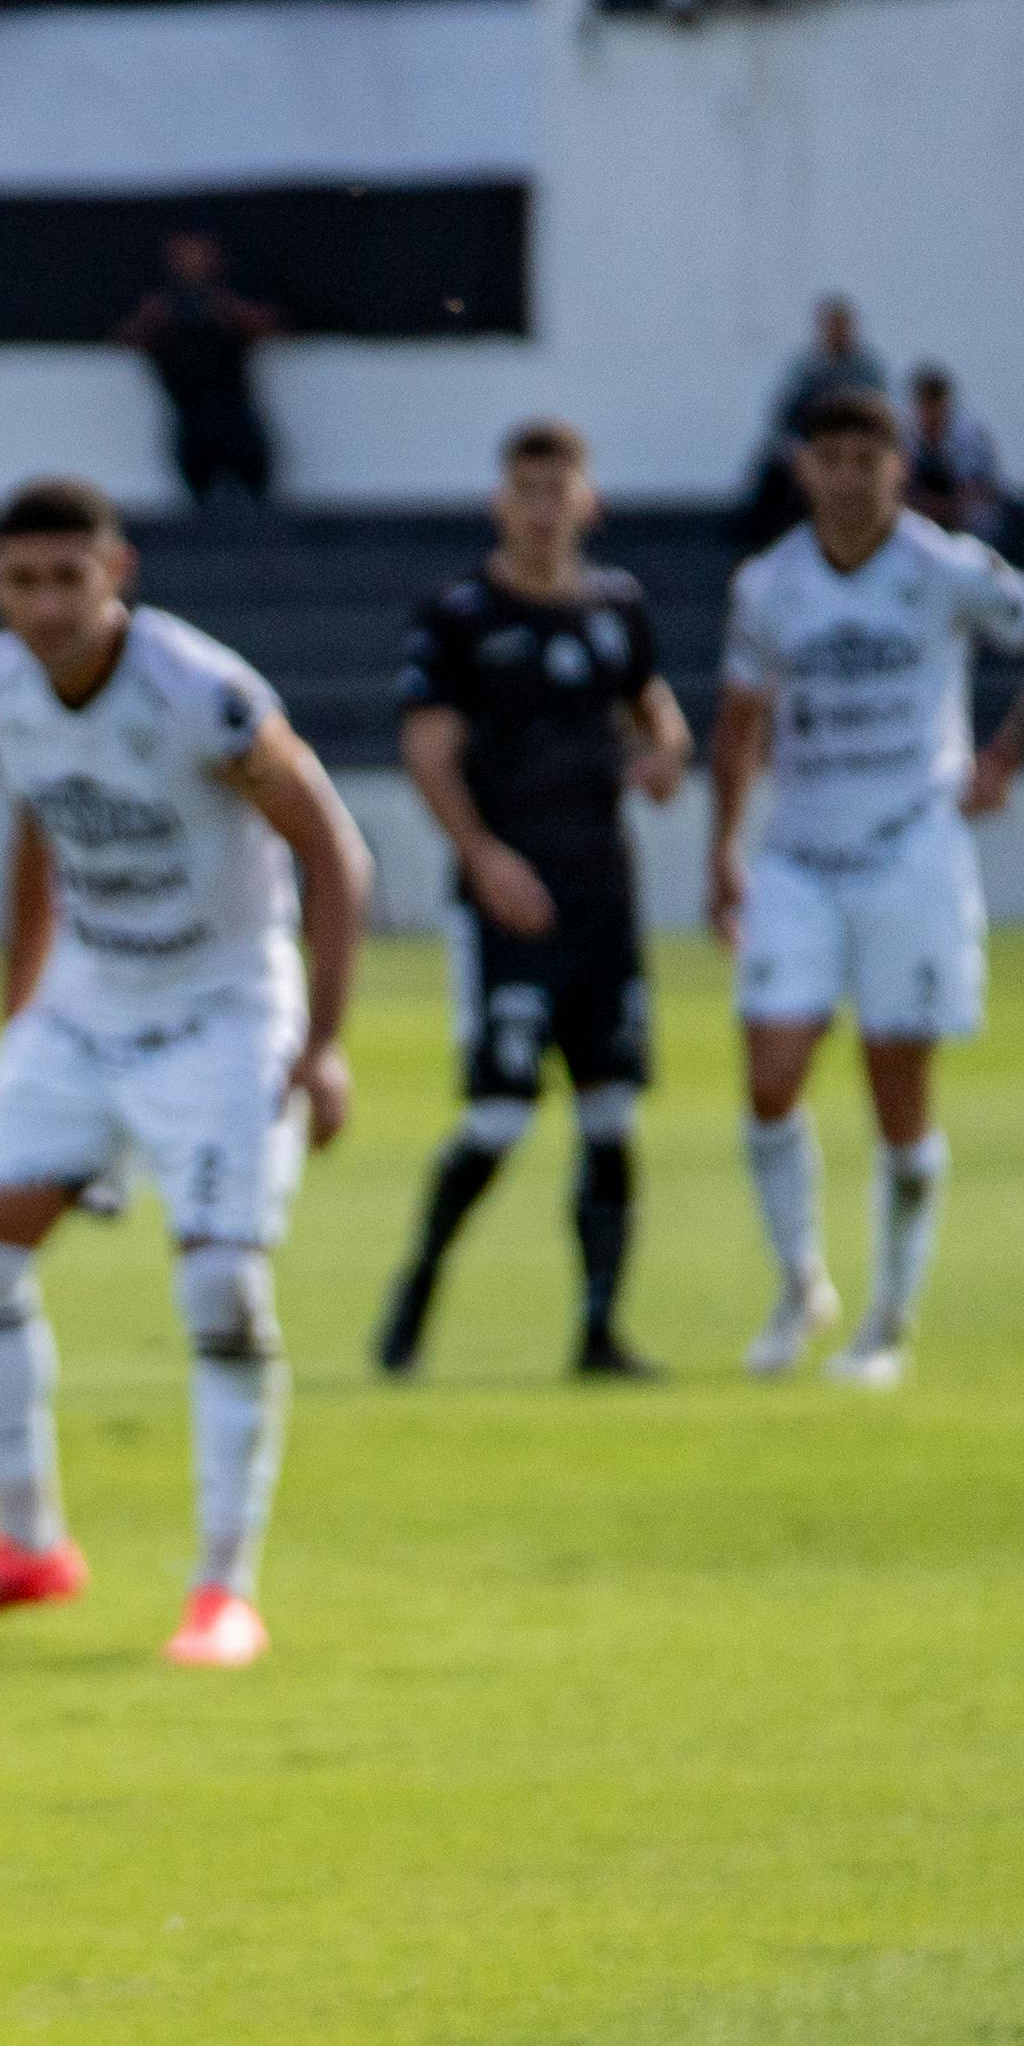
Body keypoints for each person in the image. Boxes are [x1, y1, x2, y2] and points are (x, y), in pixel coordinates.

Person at [0, 476, 373, 1673]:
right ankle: (28, 1547)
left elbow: (332, 847)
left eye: (70, 576)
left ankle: (224, 1591)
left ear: (119, 572)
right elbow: (37, 832)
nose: (48, 603)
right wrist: (19, 1012)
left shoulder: (200, 695)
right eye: (23, 580)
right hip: (86, 1006)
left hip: (222, 1012)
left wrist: (319, 1043)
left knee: (220, 1290)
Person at [710, 389, 1024, 1390]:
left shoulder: (943, 569)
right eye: (829, 457)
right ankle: (801, 1283)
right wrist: (723, 848)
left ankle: (889, 1317)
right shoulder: (769, 587)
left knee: (898, 1093)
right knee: (769, 1076)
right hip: (798, 854)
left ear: (897, 468)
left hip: (909, 852)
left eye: (864, 457)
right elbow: (741, 724)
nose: (846, 476)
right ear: (804, 469)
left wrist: (1005, 755)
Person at [377, 423, 691, 1385]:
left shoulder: (617, 607)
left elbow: (653, 706)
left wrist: (668, 753)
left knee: (611, 1111)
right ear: (499, 503)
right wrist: (481, 857)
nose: (544, 507)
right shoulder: (460, 614)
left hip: (602, 894)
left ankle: (599, 1333)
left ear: (587, 501)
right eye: (526, 490)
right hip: (507, 899)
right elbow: (428, 752)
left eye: (560, 489)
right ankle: (413, 1303)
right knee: (500, 1115)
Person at [116, 232, 284, 515]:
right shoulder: (161, 302)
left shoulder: (233, 295)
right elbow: (127, 338)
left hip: (234, 411)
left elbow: (271, 328)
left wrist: (227, 311)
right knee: (197, 504)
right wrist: (155, 320)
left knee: (258, 496)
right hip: (189, 413)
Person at [734, 297, 888, 552]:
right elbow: (783, 418)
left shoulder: (866, 370)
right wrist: (796, 452)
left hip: (858, 452)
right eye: (831, 326)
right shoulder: (807, 369)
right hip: (811, 449)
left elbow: (880, 420)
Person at [900, 365, 1008, 538]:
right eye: (925, 403)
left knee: (980, 517)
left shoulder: (969, 436)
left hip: (964, 515)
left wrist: (945, 507)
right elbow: (898, 484)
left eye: (936, 403)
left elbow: (980, 489)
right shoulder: (904, 434)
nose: (931, 412)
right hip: (921, 511)